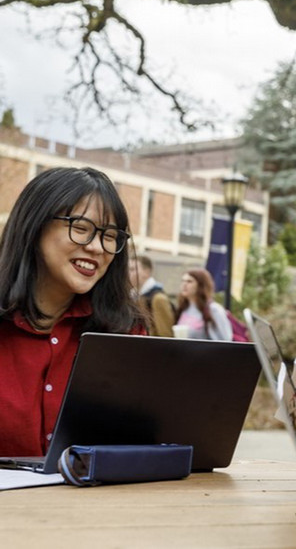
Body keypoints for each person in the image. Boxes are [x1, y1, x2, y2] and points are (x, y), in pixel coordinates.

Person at [0, 166, 141, 456]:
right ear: (35, 225)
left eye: (110, 235)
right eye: (80, 228)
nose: (96, 248)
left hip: (92, 498)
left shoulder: (127, 331)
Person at [174, 268, 233, 341]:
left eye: (189, 281)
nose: (184, 285)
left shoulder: (213, 309)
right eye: (182, 281)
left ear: (200, 285)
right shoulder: (183, 308)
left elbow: (226, 339)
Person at [129, 253, 175, 337]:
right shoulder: (134, 296)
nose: (129, 273)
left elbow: (165, 334)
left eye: (132, 269)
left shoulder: (158, 298)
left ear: (146, 272)